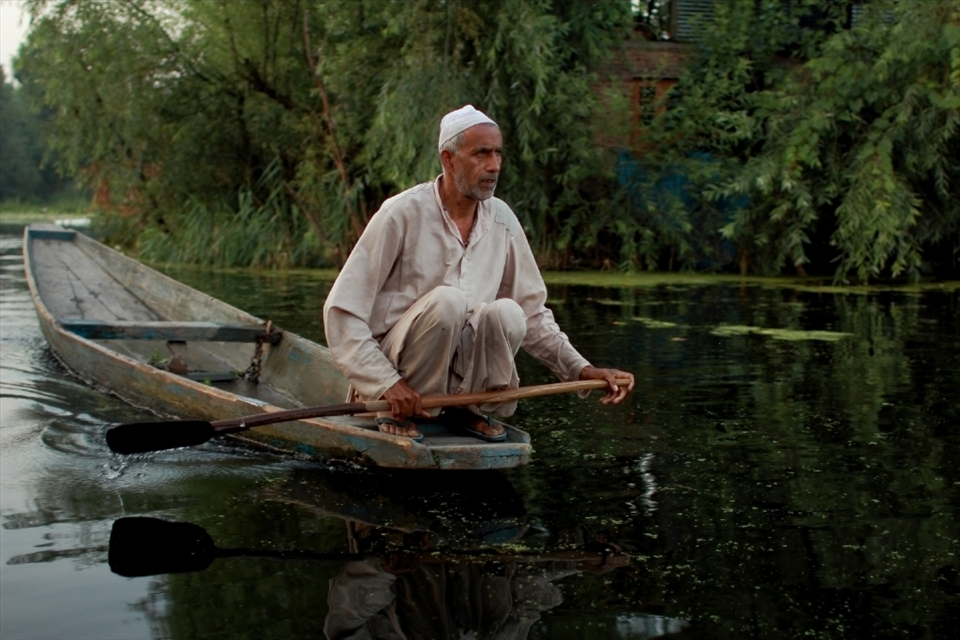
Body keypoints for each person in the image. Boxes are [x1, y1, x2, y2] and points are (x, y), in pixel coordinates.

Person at [323, 105, 634, 441]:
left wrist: (581, 368)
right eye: (481, 154)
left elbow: (533, 315)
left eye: (498, 153)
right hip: (394, 387)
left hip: (460, 392)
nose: (494, 166)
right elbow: (342, 314)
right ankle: (398, 414)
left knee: (509, 312)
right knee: (448, 302)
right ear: (448, 158)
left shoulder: (502, 219)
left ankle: (465, 409)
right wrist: (387, 384)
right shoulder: (402, 214)